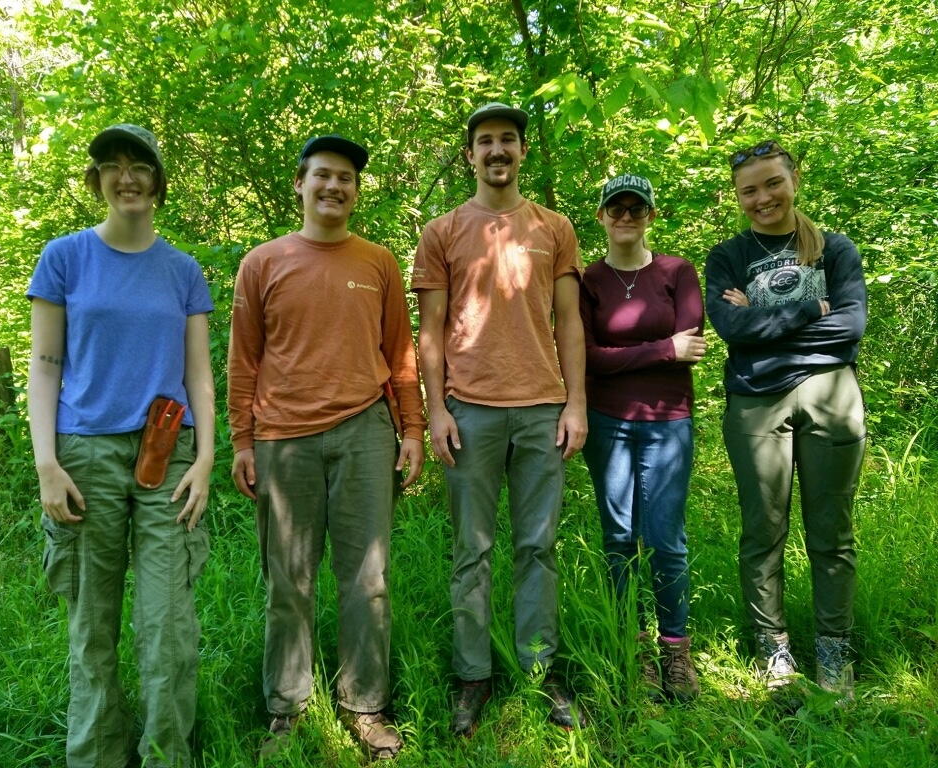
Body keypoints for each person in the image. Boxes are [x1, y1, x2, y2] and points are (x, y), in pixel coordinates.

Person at [227, 134, 426, 761]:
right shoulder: (263, 262)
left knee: (368, 579)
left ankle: (365, 707)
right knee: (288, 581)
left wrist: (413, 429)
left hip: (365, 431)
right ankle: (286, 710)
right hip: (282, 439)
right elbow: (243, 360)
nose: (334, 186)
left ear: (356, 191)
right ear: (300, 183)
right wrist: (241, 441)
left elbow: (400, 353)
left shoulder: (379, 262)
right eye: (322, 175)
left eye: (346, 178)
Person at [27, 123, 215, 768]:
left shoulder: (182, 270)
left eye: (139, 166)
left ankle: (165, 755)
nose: (126, 176)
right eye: (112, 165)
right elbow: (45, 366)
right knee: (92, 626)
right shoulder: (64, 258)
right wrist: (46, 463)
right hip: (84, 457)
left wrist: (207, 457)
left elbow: (198, 374)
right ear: (97, 180)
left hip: (170, 454)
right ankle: (98, 756)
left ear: (158, 182)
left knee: (168, 626)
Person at [413, 102, 588, 736]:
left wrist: (575, 403)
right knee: (472, 550)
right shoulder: (442, 232)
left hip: (542, 408)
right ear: (470, 155)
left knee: (538, 546)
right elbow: (430, 331)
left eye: (507, 139)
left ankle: (540, 669)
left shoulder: (554, 228)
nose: (497, 150)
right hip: (470, 411)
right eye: (485, 141)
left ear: (522, 151)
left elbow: (569, 321)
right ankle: (473, 676)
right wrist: (436, 410)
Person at [704, 140, 867, 702]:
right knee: (762, 530)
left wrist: (764, 319)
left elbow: (850, 327)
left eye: (773, 183)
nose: (763, 198)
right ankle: (773, 649)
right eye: (749, 190)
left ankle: (834, 650)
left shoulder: (835, 249)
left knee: (832, 532)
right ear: (738, 197)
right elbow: (732, 329)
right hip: (755, 399)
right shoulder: (727, 257)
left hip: (831, 393)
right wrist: (810, 309)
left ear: (794, 179)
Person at [579, 174, 705, 702]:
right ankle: (634, 647)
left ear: (651, 215)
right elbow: (586, 357)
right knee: (619, 540)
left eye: (636, 208)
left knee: (665, 540)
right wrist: (661, 349)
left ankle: (675, 649)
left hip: (668, 421)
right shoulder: (588, 279)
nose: (626, 216)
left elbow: (691, 344)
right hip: (606, 421)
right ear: (602, 216)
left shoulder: (677, 272)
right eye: (617, 208)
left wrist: (634, 355)